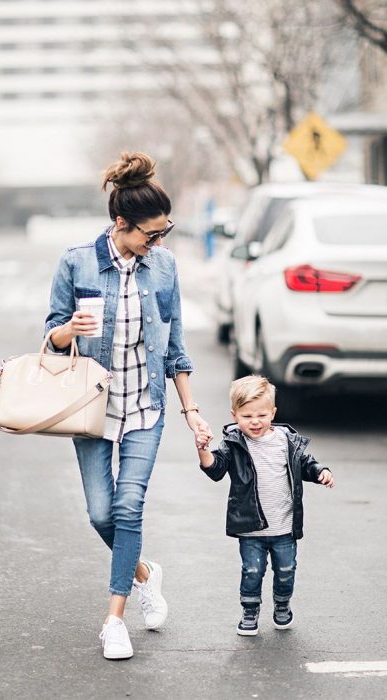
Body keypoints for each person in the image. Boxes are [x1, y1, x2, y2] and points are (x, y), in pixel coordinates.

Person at [45, 152, 212, 660]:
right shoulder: (76, 262)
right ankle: (143, 572)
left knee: (128, 505)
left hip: (146, 406)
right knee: (101, 514)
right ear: (122, 224)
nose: (158, 242)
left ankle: (114, 619)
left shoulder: (163, 268)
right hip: (91, 408)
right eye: (151, 234)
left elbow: (176, 345)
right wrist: (66, 331)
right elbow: (49, 333)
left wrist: (191, 411)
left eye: (164, 232)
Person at [196, 374, 333, 636]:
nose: (255, 422)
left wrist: (320, 471)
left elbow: (305, 463)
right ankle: (249, 611)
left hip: (283, 527)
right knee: (252, 571)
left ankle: (282, 606)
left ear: (273, 412)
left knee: (286, 569)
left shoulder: (286, 440)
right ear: (234, 415)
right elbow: (215, 469)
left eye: (261, 415)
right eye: (247, 416)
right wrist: (203, 450)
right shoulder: (234, 443)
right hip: (251, 528)